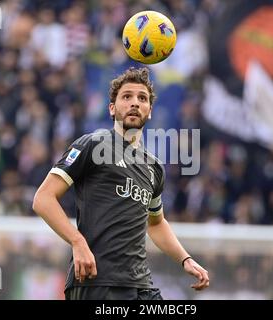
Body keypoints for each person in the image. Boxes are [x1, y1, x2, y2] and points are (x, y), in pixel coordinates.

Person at [32, 67, 209, 300]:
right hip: (97, 281)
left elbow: (155, 224)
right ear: (112, 108)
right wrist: (78, 242)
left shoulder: (154, 167)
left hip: (139, 284)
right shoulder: (93, 144)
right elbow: (43, 199)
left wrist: (185, 259)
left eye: (142, 98)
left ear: (150, 111)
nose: (135, 103)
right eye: (127, 97)